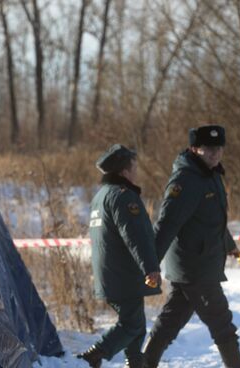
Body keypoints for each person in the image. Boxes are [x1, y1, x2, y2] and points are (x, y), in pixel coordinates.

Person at [143, 125, 240, 368]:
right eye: (208, 149)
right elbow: (166, 225)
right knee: (222, 323)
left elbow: (213, 220)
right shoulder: (186, 180)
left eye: (219, 148)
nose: (215, 154)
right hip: (195, 266)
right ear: (194, 149)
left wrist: (229, 245)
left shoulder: (211, 175)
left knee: (171, 320)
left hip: (201, 263)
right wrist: (150, 263)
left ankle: (142, 364)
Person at [78, 144, 161, 368]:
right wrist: (150, 267)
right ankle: (97, 353)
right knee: (132, 325)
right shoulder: (124, 197)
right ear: (124, 172)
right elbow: (136, 236)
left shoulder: (100, 197)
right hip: (124, 274)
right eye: (134, 167)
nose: (136, 172)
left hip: (110, 272)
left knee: (136, 324)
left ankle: (135, 363)